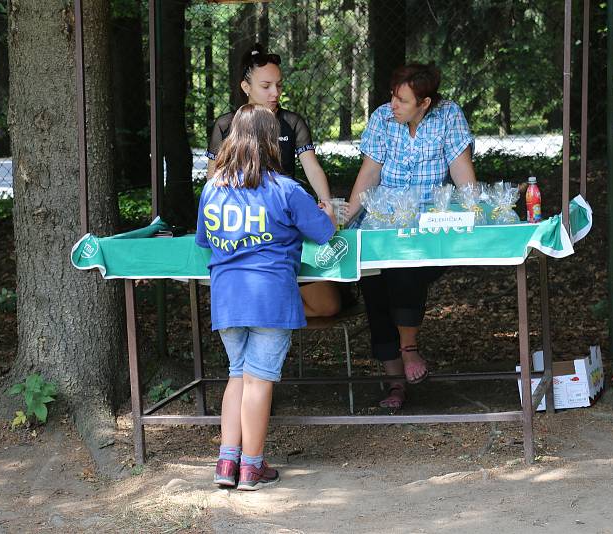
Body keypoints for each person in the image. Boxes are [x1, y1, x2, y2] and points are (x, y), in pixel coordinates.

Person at [196, 104, 336, 490]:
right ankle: (252, 467)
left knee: (236, 377)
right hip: (271, 296)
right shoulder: (285, 188)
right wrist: (328, 214)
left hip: (227, 297)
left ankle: (227, 463)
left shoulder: (212, 188)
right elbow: (323, 231)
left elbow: (206, 240)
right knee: (258, 382)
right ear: (271, 142)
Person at [345, 63, 478, 410]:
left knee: (406, 268)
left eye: (402, 100)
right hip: (380, 224)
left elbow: (461, 169)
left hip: (428, 227)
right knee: (373, 285)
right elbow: (369, 173)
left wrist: (475, 210)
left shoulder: (449, 116)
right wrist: (346, 219)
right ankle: (394, 382)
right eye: (392, 95)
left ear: (425, 103)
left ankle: (408, 349)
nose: (393, 104)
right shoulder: (381, 119)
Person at [207, 43, 342, 318]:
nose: (275, 93)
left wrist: (326, 204)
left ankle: (273, 314)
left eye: (279, 85)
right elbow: (214, 180)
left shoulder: (291, 122)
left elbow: (312, 168)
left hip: (288, 222)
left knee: (329, 305)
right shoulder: (225, 125)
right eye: (266, 85)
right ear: (245, 86)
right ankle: (270, 316)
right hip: (242, 228)